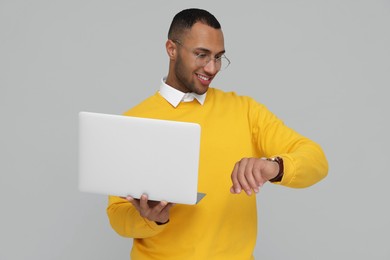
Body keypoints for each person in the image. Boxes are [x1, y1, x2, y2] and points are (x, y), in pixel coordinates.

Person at [107, 8, 328, 260]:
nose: (212, 68)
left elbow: (317, 160)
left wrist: (274, 167)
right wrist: (150, 219)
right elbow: (117, 216)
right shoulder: (134, 121)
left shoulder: (244, 110)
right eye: (201, 55)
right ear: (171, 49)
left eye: (218, 57)